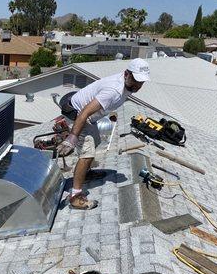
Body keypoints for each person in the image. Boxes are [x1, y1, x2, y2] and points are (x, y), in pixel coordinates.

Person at [58, 58, 150, 210]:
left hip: (88, 117)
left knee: (95, 140)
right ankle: (75, 196)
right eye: (135, 80)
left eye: (141, 82)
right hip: (78, 116)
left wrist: (108, 112)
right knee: (87, 153)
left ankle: (84, 174)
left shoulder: (126, 85)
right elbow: (84, 112)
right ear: (127, 74)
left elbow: (103, 104)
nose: (138, 85)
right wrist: (72, 138)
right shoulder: (113, 89)